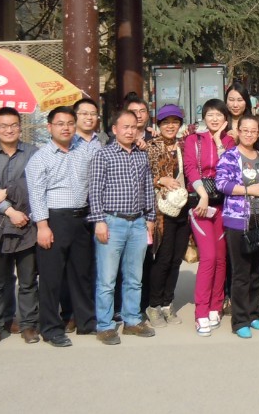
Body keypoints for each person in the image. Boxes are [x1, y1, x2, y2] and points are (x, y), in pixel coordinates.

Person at [25, 106, 96, 348]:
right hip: (54, 220)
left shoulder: (83, 151)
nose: (66, 128)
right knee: (51, 277)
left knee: (82, 274)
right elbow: (36, 194)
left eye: (69, 123)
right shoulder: (40, 158)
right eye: (60, 123)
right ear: (49, 127)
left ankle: (86, 321)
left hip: (81, 218)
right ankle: (51, 328)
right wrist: (42, 226)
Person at [89, 110, 157, 345]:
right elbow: (95, 190)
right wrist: (99, 220)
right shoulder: (103, 155)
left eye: (133, 127)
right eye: (125, 127)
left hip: (138, 222)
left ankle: (132, 320)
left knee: (134, 277)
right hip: (112, 222)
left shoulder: (141, 155)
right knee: (107, 279)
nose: (130, 131)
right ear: (114, 129)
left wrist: (150, 218)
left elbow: (148, 188)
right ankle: (105, 325)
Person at [0, 107, 39, 347]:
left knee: (28, 280)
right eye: (3, 126)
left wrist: (8, 191)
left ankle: (28, 324)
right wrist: (12, 211)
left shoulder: (33, 153)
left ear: (20, 127)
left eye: (13, 125)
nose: (9, 130)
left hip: (27, 224)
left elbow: (34, 184)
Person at [215, 114, 259, 339]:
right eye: (245, 130)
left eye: (253, 131)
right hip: (238, 220)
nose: (249, 134)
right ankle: (240, 320)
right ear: (238, 132)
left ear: (258, 134)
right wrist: (250, 190)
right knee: (241, 273)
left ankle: (253, 313)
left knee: (256, 271)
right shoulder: (230, 156)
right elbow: (221, 184)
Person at [184, 99, 235, 336]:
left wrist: (218, 141)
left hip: (224, 205)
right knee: (209, 258)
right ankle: (201, 312)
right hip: (201, 206)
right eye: (210, 114)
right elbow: (190, 168)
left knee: (222, 259)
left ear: (225, 118)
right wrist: (203, 195)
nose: (214, 119)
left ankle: (216, 306)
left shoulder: (229, 141)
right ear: (204, 117)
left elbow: (230, 168)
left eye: (219, 115)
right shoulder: (192, 140)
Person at [144, 104, 191, 328]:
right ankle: (154, 305)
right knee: (163, 259)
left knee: (176, 259)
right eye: (166, 122)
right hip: (162, 210)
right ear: (159, 124)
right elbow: (142, 176)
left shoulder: (184, 145)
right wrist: (160, 180)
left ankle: (167, 303)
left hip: (183, 208)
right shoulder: (151, 146)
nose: (170, 126)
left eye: (175, 122)